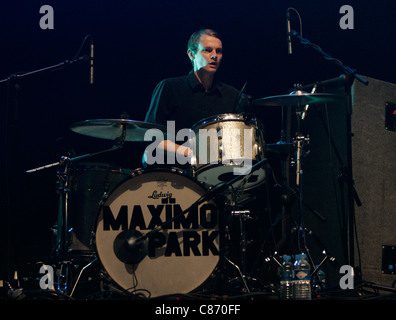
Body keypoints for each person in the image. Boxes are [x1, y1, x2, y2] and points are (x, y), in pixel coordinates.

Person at [144, 28, 248, 165]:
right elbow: (151, 136)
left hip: (215, 176)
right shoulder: (169, 87)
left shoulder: (232, 95)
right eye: (207, 50)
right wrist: (190, 153)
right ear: (191, 55)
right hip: (172, 171)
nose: (214, 55)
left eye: (219, 51)